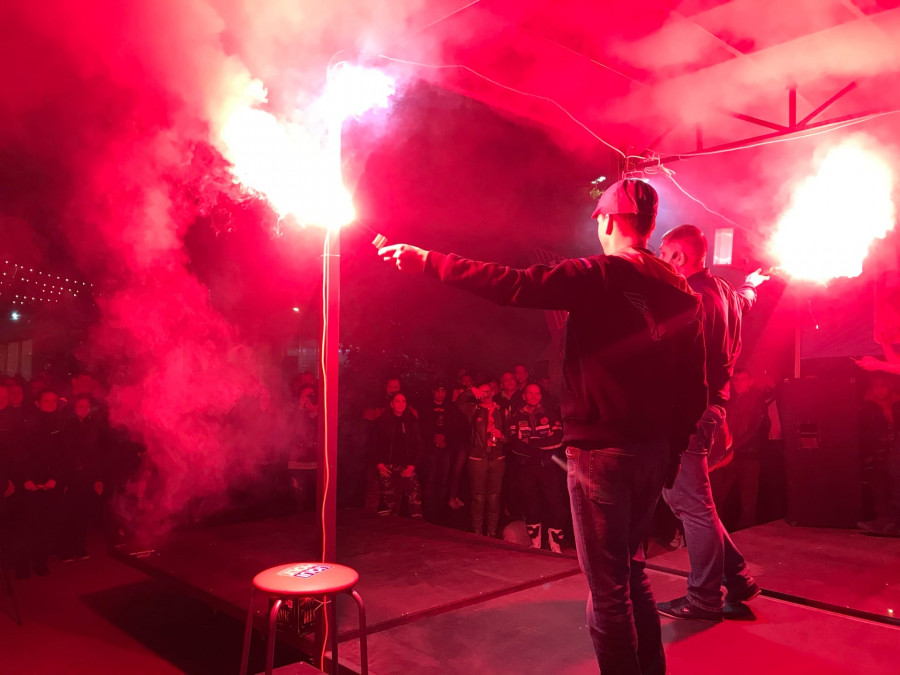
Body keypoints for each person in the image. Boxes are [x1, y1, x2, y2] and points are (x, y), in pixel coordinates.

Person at [379, 177, 707, 674]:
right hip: (652, 454)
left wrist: (428, 260)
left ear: (608, 221)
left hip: (601, 453)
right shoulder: (683, 294)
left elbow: (513, 284)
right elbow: (694, 390)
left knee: (608, 590)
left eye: (599, 219)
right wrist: (670, 453)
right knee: (632, 571)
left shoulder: (600, 274)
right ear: (648, 225)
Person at [655, 224, 767, 622]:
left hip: (689, 415)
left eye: (663, 255)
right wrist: (752, 283)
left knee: (693, 507)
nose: (660, 261)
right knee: (697, 504)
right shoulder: (725, 292)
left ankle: (703, 598)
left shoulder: (688, 298)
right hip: (710, 410)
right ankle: (737, 579)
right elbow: (746, 300)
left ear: (679, 257)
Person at [507, 383, 567, 552]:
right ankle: (536, 544)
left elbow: (557, 440)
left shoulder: (550, 414)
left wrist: (529, 443)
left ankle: (555, 544)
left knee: (555, 503)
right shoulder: (516, 417)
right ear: (524, 396)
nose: (534, 396)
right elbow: (515, 445)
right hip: (527, 467)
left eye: (537, 393)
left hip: (548, 466)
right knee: (530, 504)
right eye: (530, 393)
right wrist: (541, 449)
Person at [719, 369, 770, 530]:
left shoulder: (757, 400)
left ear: (750, 381)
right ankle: (717, 530)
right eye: (736, 379)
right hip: (730, 456)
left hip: (749, 455)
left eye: (743, 379)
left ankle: (746, 532)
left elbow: (755, 428)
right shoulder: (728, 400)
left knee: (748, 500)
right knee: (718, 495)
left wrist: (734, 445)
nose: (739, 383)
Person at [60, 394, 106, 561]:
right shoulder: (67, 426)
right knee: (70, 513)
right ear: (74, 408)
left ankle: (80, 546)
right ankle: (66, 548)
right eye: (81, 406)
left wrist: (98, 478)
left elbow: (97, 454)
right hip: (72, 476)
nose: (84, 409)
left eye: (87, 406)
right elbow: (65, 452)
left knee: (84, 512)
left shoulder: (93, 426)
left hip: (88, 476)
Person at [418, 381, 465, 523]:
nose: (440, 394)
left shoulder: (451, 407)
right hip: (430, 449)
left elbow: (457, 428)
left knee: (443, 479)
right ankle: (427, 513)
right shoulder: (426, 407)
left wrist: (446, 438)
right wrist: (433, 438)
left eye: (443, 391)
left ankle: (440, 514)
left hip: (446, 448)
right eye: (438, 391)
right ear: (433, 391)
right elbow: (422, 427)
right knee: (429, 480)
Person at [373, 392, 424, 518]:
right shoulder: (383, 421)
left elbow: (419, 445)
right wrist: (379, 463)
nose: (401, 404)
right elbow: (374, 443)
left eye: (403, 401)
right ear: (391, 404)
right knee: (389, 503)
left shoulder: (412, 422)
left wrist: (413, 465)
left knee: (415, 500)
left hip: (407, 466)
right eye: (397, 401)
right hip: (387, 466)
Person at [467, 383, 507, 536]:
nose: (485, 394)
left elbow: (510, 437)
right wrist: (471, 390)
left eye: (488, 391)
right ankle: (477, 533)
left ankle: (492, 533)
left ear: (493, 392)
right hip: (477, 458)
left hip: (497, 457)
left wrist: (501, 435)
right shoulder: (473, 409)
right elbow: (459, 403)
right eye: (482, 391)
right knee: (478, 497)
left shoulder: (501, 410)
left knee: (494, 497)